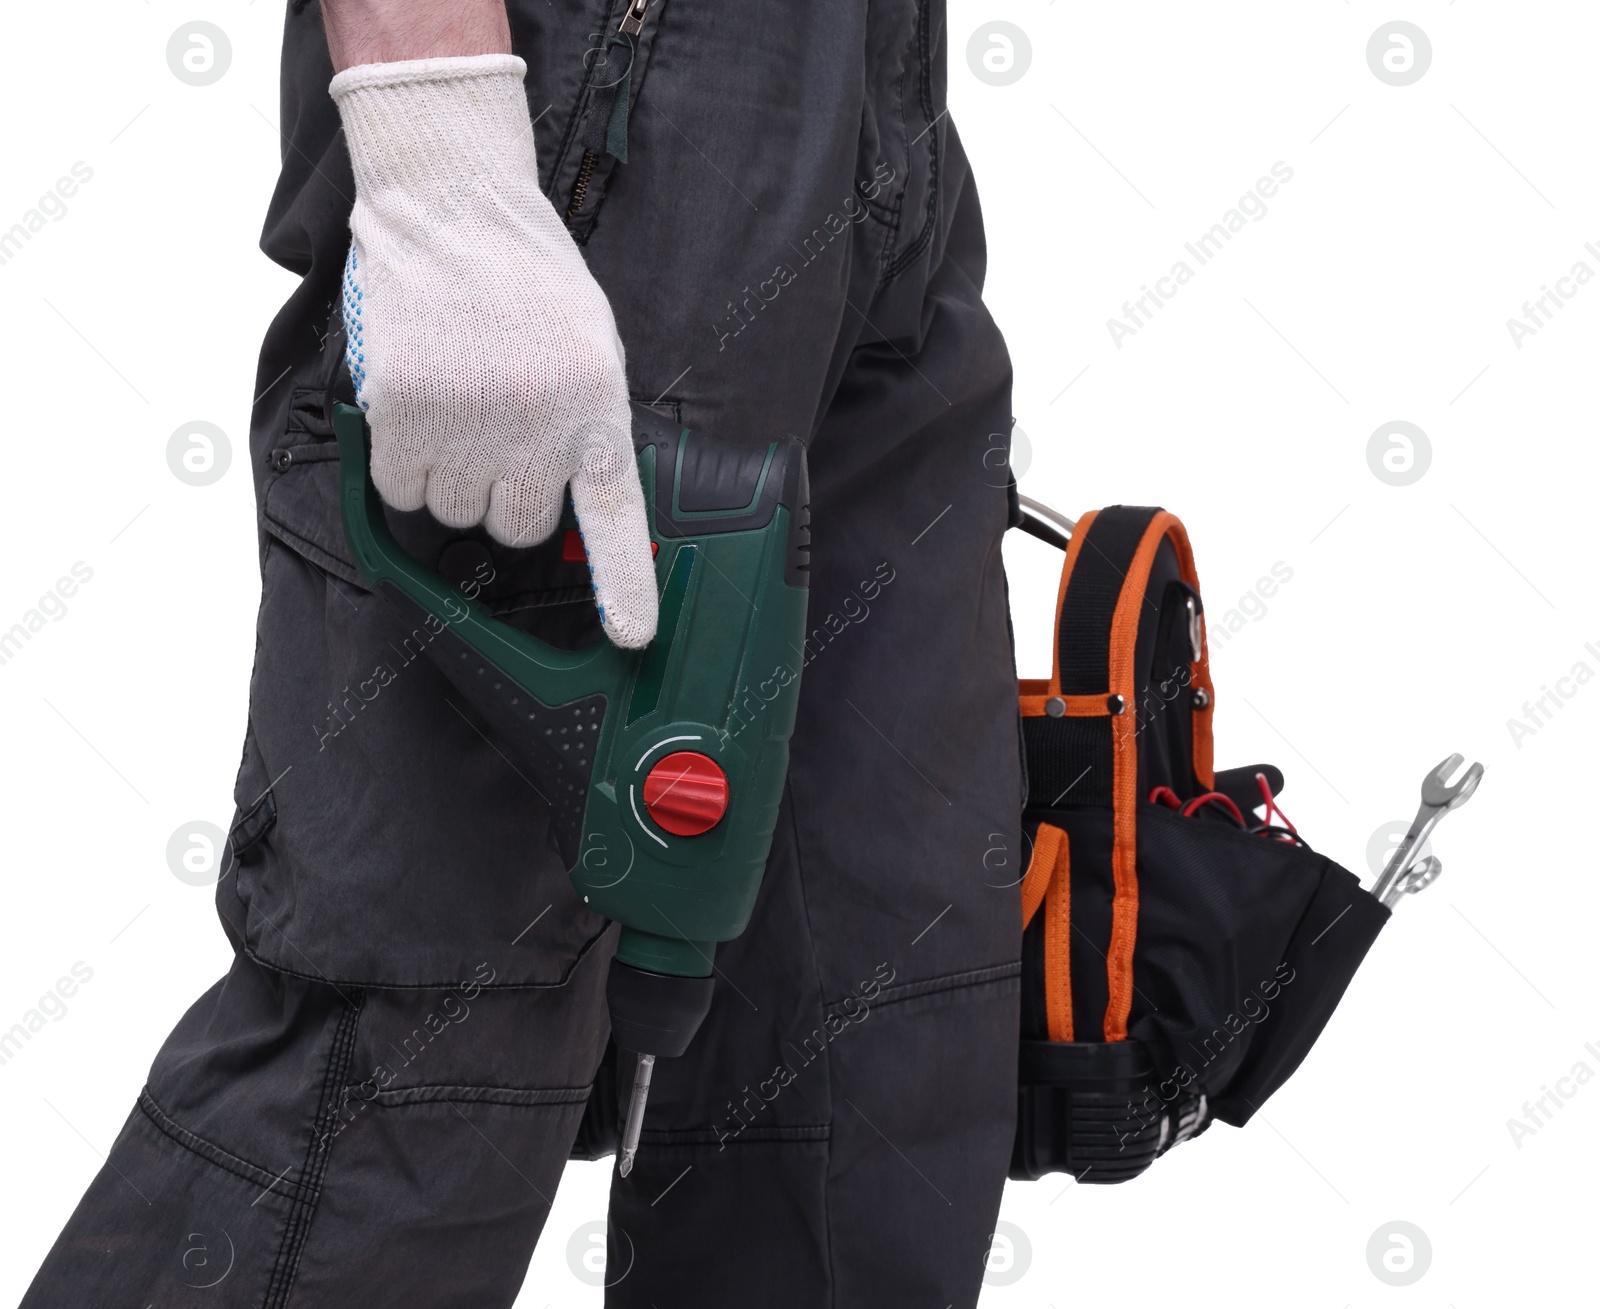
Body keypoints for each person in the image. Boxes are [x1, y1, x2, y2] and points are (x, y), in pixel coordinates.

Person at [22, 0, 1022, 1303]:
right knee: (401, 1091)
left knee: (858, 1065)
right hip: (609, 79)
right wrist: (434, 132)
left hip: (868, 83)